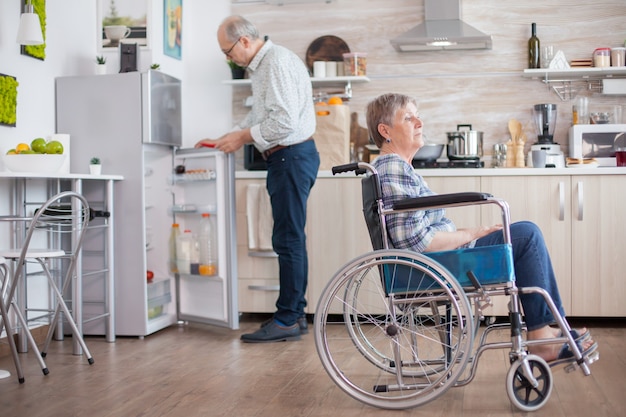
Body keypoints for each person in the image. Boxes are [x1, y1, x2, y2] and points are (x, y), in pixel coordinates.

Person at [365, 92, 595, 362]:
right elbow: (417, 242)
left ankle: (543, 333)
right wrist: (470, 234)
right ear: (385, 131)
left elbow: (418, 233)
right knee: (526, 236)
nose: (419, 122)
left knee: (521, 234)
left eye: (418, 115)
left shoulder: (398, 167)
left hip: (436, 262)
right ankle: (542, 336)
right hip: (431, 267)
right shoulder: (393, 167)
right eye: (408, 117)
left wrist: (469, 234)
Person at [196, 15, 320, 343]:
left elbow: (283, 122)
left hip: (291, 156)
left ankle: (288, 318)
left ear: (245, 41)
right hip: (287, 158)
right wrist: (230, 135)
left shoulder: (276, 62)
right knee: (288, 237)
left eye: (228, 50)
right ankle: (295, 315)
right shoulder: (264, 65)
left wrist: (241, 138)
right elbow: (263, 115)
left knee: (288, 239)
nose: (228, 58)